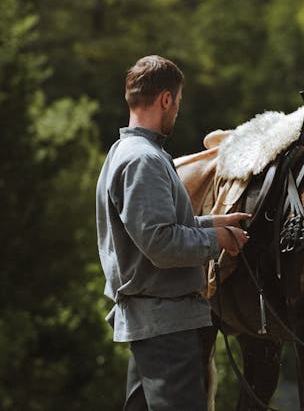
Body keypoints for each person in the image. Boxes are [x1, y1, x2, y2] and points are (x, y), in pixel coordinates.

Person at [96, 55, 252, 410]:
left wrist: (212, 223)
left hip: (154, 323)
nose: (177, 112)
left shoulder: (128, 152)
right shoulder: (143, 160)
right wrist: (218, 242)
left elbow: (154, 231)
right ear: (166, 99)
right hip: (166, 325)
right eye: (178, 103)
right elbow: (161, 245)